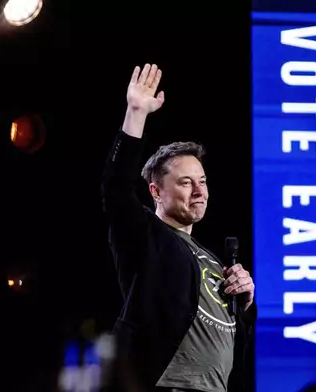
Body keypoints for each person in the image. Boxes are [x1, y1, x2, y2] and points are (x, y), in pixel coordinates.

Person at [101, 63, 256, 392]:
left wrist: (246, 302)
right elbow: (116, 187)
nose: (199, 191)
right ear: (156, 191)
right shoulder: (145, 236)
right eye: (186, 183)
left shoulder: (212, 259)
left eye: (202, 181)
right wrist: (136, 113)